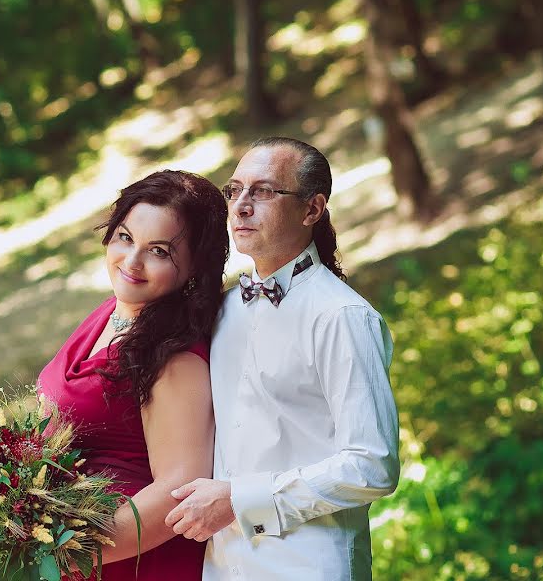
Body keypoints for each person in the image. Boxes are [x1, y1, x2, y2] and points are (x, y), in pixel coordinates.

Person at [165, 137, 400, 580]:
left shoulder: (342, 317)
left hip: (308, 565)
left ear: (312, 210)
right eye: (234, 191)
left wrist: (239, 499)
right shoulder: (221, 309)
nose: (241, 206)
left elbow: (372, 464)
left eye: (265, 191)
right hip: (221, 564)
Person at [37, 169, 229, 580]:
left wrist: (73, 555)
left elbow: (180, 486)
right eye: (125, 237)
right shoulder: (112, 312)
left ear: (195, 265)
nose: (132, 261)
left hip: (127, 559)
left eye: (159, 251)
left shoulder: (174, 356)